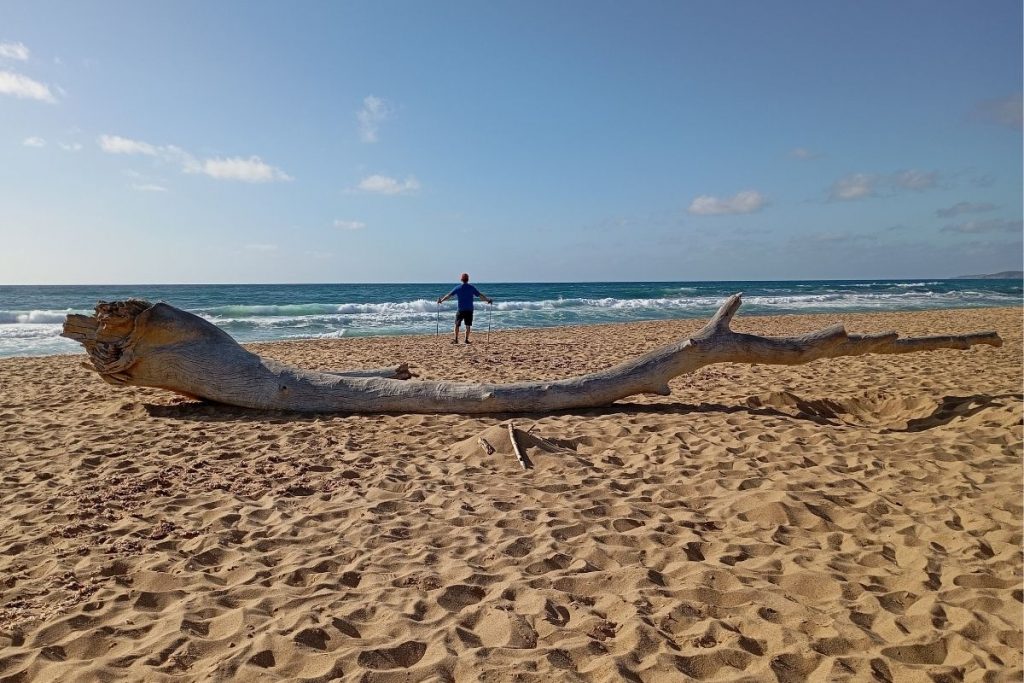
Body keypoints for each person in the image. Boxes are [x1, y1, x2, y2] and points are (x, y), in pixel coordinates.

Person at [437, 273, 493, 344]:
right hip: (469, 309)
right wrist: (488, 300)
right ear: (468, 279)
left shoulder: (458, 288)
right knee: (468, 325)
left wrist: (441, 300)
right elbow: (480, 295)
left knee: (457, 325)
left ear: (461, 279)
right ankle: (466, 340)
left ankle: (456, 339)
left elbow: (449, 295)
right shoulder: (471, 288)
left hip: (460, 309)